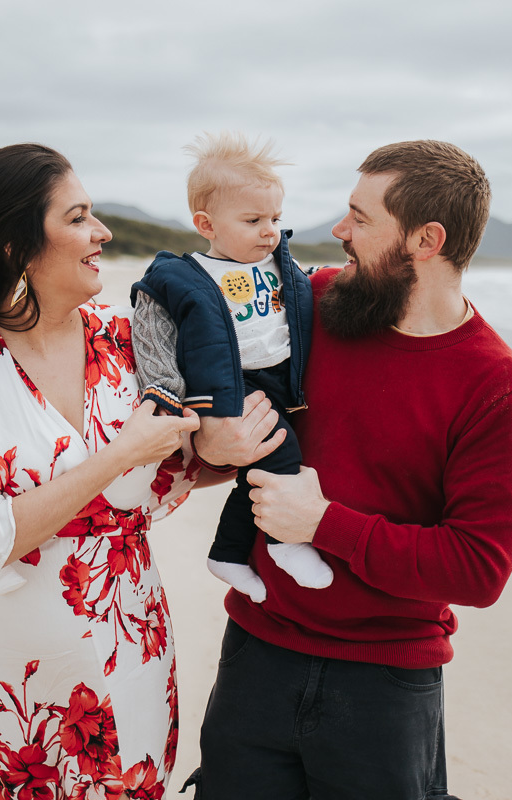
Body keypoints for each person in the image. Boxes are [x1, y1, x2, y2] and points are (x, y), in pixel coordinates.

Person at [0, 143, 280, 799]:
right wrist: (120, 453)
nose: (101, 232)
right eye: (78, 217)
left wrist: (226, 451)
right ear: (14, 245)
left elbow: (176, 467)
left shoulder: (128, 335)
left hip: (129, 629)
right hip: (12, 655)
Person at [186, 141, 512, 800]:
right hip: (256, 655)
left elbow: (478, 569)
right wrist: (211, 439)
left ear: (426, 240)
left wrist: (324, 525)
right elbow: (209, 419)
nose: (338, 231)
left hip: (386, 687)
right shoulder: (309, 306)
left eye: (360, 218)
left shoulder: (496, 386)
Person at [130, 132, 332, 603]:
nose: (271, 230)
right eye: (254, 219)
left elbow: (308, 291)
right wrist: (165, 393)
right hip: (229, 382)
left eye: (277, 218)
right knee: (281, 456)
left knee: (257, 472)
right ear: (207, 224)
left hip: (280, 377)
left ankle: (227, 552)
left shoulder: (279, 264)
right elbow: (152, 322)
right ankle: (286, 544)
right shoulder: (190, 275)